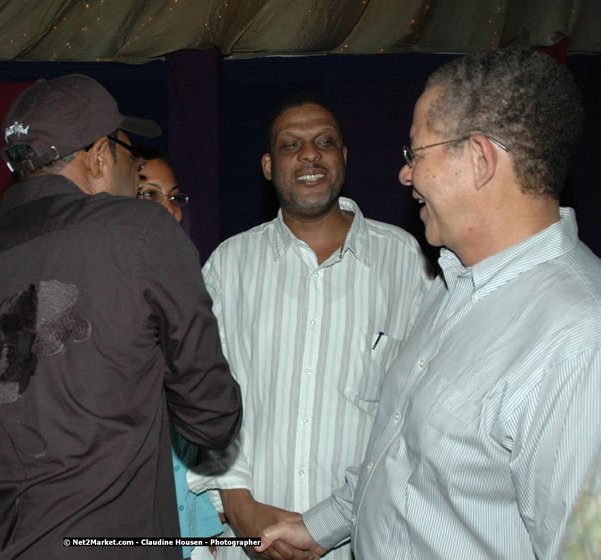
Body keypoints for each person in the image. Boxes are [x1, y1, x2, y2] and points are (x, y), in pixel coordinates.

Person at [257, 48, 601, 559]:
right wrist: (320, 527)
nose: (405, 176)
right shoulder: (451, 282)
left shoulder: (578, 340)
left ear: (480, 160)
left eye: (416, 154)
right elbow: (402, 459)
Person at [0, 74, 242, 559]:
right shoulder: (140, 233)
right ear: (97, 156)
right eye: (130, 158)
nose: (135, 175)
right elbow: (213, 419)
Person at [186, 92, 431, 559]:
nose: (309, 154)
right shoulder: (229, 264)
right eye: (289, 145)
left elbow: (417, 414)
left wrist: (328, 525)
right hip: (244, 540)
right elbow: (198, 396)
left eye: (324, 141)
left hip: (358, 542)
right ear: (266, 166)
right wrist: (239, 509)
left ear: (343, 157)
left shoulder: (403, 261)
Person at [139, 152, 220, 560]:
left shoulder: (193, 288)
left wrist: (208, 528)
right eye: (149, 194)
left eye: (173, 197)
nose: (168, 210)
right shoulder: (94, 292)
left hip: (192, 522)